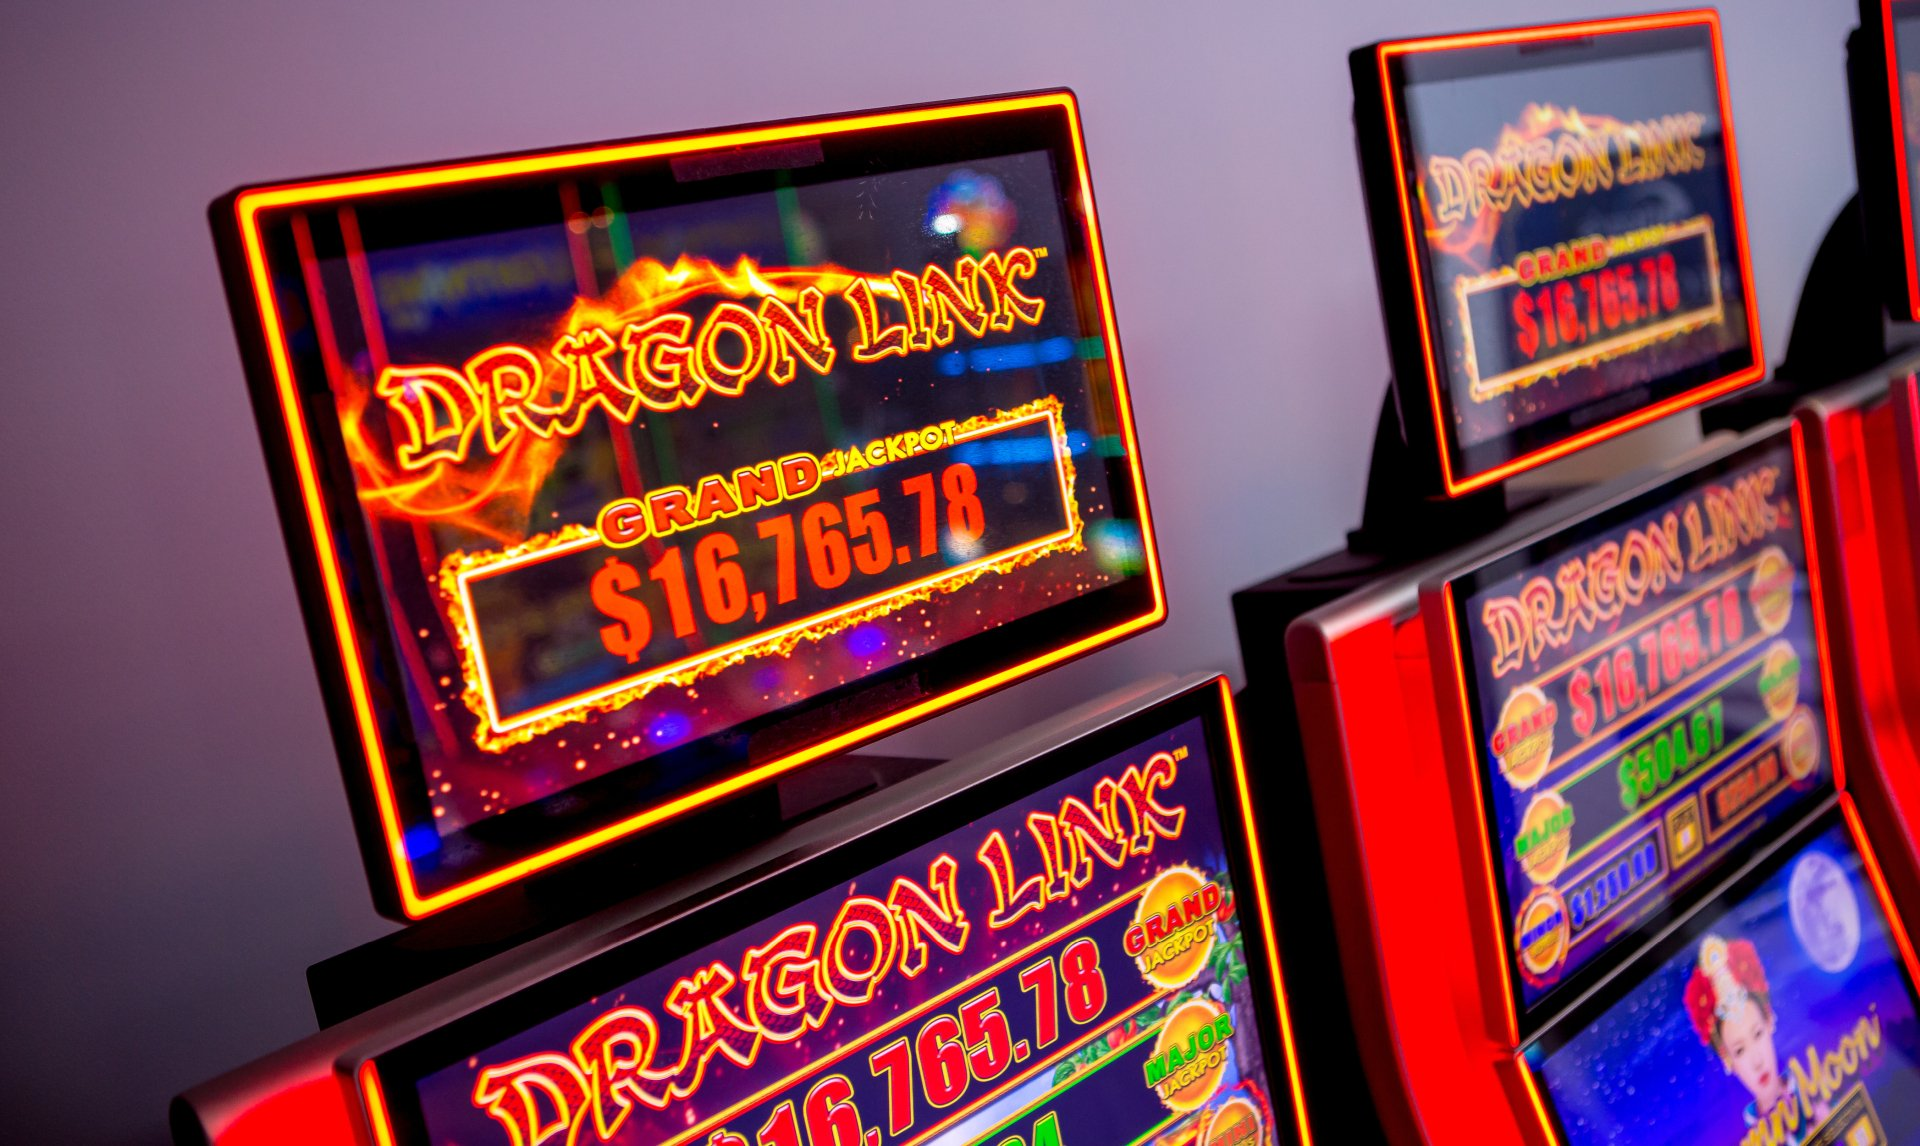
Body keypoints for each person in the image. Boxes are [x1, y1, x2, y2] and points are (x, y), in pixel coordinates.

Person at [1683, 933, 1829, 1143]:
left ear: (1769, 1021)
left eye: (1757, 1034)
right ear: (1727, 1058)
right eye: (1740, 1050)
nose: (1757, 1061)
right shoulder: (1750, 1137)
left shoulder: (1815, 1090)